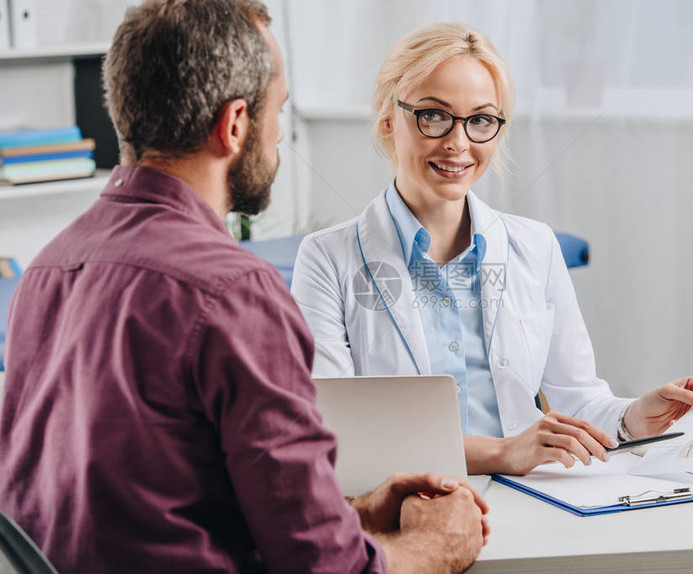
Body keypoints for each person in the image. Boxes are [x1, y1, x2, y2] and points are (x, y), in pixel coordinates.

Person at [0, 3, 488, 573]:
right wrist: (438, 545)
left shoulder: (47, 270)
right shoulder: (232, 292)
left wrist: (348, 511)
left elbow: (149, 504)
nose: (279, 132)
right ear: (234, 125)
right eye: (276, 110)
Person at [291, 22, 693, 476]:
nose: (458, 142)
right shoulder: (327, 259)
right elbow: (333, 429)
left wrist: (632, 421)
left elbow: (579, 400)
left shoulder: (537, 246)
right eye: (433, 115)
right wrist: (503, 453)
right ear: (388, 117)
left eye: (481, 120)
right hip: (398, 503)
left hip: (528, 500)